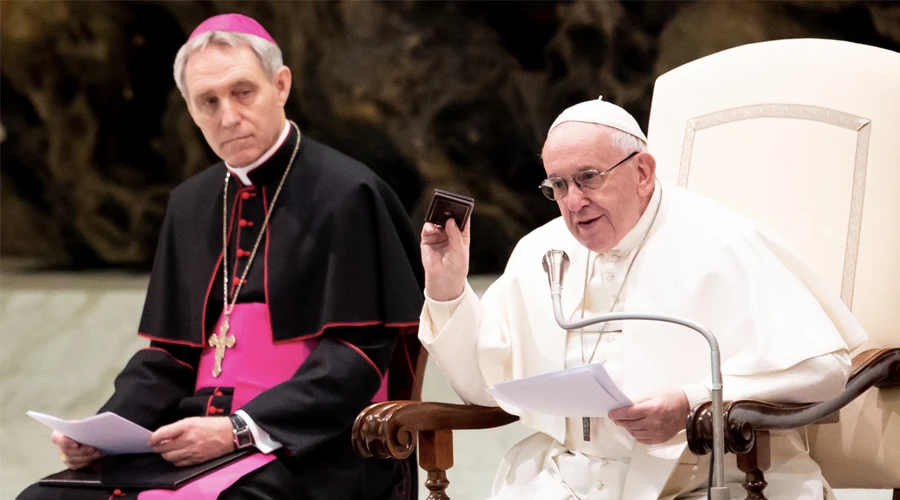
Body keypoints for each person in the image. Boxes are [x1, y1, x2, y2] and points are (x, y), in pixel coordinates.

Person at [18, 13, 423, 500]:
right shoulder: (190, 204)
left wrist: (239, 428)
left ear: (280, 85)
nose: (228, 116)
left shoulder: (349, 193)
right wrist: (103, 432)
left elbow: (356, 359)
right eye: (208, 101)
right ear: (190, 110)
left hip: (311, 445)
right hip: (192, 443)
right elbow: (169, 356)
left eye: (242, 92)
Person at [418, 97, 867, 499]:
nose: (572, 202)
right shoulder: (542, 250)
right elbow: (485, 388)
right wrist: (448, 287)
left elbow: (824, 369)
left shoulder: (722, 240)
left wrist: (692, 402)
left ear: (643, 173)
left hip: (707, 475)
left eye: (587, 178)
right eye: (557, 185)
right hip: (565, 479)